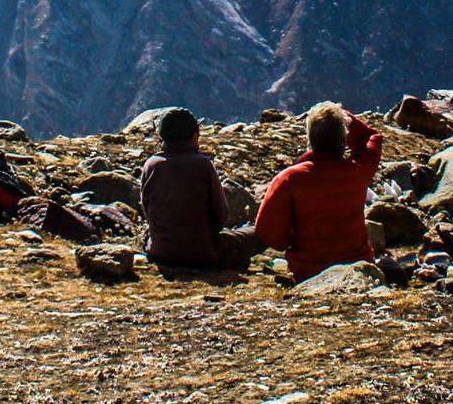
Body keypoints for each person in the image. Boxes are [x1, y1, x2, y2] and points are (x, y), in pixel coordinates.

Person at [254, 102, 383, 282]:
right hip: (356, 270)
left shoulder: (290, 179)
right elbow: (371, 137)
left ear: (310, 138)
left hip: (308, 273)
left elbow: (267, 232)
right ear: (343, 139)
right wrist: (344, 118)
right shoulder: (358, 170)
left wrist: (292, 242)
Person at [139, 108, 260, 271]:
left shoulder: (151, 165)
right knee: (259, 234)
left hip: (160, 251)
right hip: (203, 253)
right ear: (194, 135)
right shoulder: (202, 164)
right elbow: (220, 215)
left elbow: (148, 211)